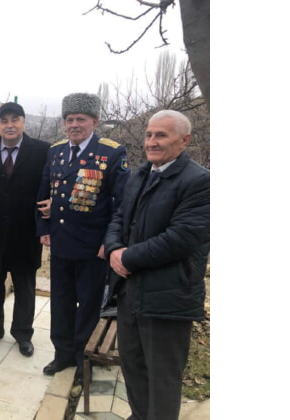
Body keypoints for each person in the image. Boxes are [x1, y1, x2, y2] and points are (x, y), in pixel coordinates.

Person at [104, 110, 209, 420]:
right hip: (130, 293)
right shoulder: (140, 175)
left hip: (167, 297)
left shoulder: (200, 182)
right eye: (149, 134)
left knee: (162, 377)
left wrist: (126, 258)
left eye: (161, 135)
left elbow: (181, 238)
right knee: (133, 366)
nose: (152, 141)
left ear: (184, 140)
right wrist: (113, 249)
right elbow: (119, 217)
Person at [36, 93, 129, 382]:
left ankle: (82, 359)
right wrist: (43, 229)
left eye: (80, 119)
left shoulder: (111, 153)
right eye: (69, 119)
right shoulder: (56, 151)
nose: (74, 125)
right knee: (60, 302)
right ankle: (62, 354)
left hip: (93, 247)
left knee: (88, 305)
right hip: (61, 241)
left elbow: (122, 204)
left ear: (94, 122)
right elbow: (43, 192)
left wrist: (110, 243)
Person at [0, 102, 49, 357]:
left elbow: (52, 186)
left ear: (23, 122)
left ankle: (23, 334)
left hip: (26, 233)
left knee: (25, 287)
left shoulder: (42, 151)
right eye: (4, 120)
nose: (10, 125)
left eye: (15, 119)